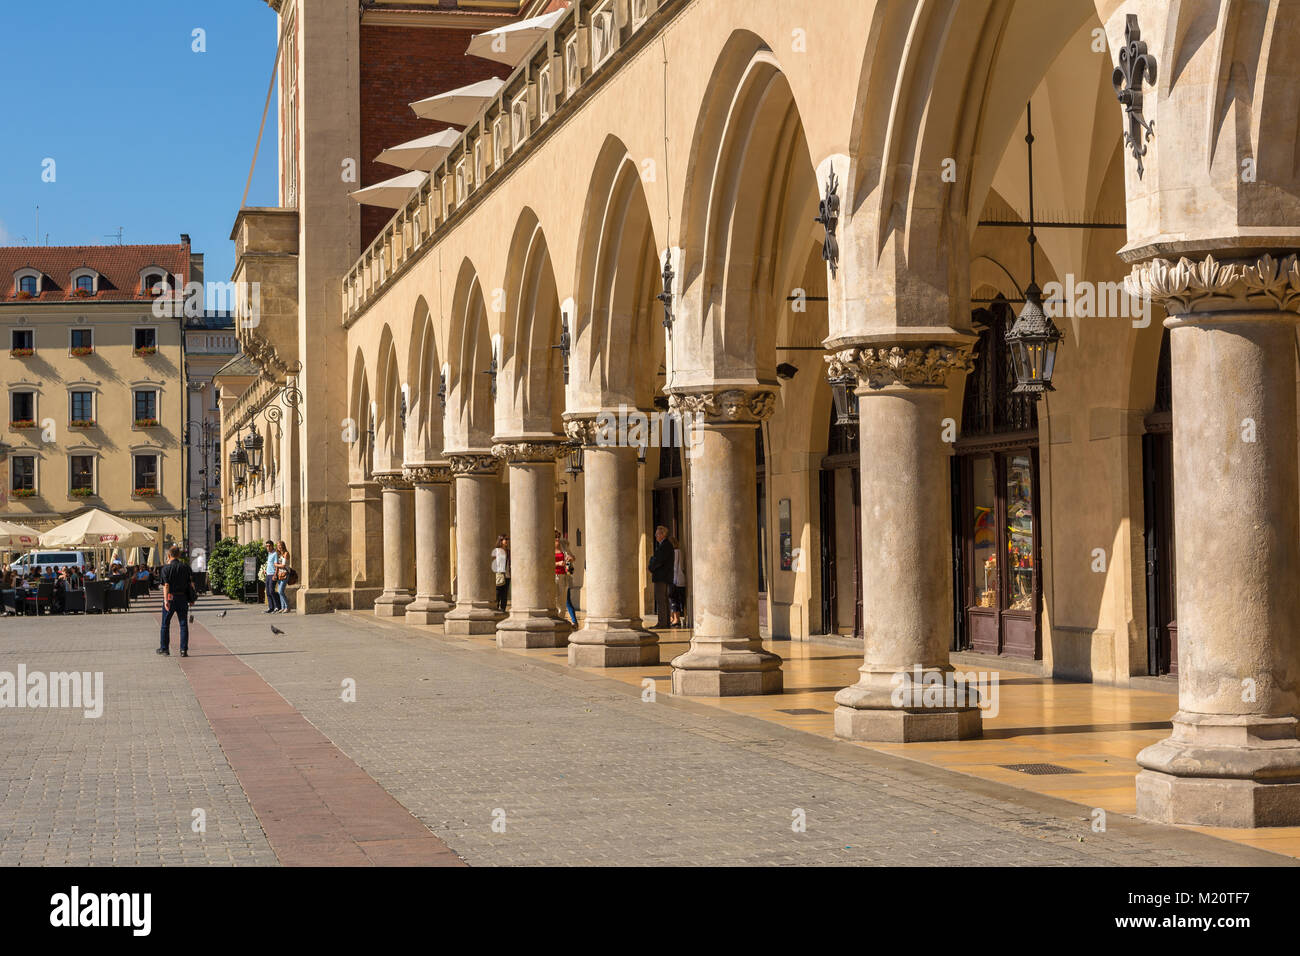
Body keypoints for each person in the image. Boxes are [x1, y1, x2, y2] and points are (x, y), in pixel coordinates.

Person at [158, 546, 193, 658]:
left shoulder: (166, 569)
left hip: (171, 597)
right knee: (183, 624)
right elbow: (191, 584)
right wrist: (192, 599)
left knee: (165, 624)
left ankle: (164, 649)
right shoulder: (185, 567)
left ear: (169, 555)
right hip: (182, 598)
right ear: (179, 555)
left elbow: (166, 585)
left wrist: (166, 600)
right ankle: (183, 650)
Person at [647, 525, 674, 629]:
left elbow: (659, 560)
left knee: (661, 600)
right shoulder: (665, 545)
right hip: (665, 576)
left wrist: (650, 567)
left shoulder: (665, 546)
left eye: (657, 534)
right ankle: (665, 622)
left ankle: (662, 623)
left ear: (663, 534)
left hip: (662, 577)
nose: (655, 536)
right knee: (664, 600)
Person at [554, 531, 577, 627]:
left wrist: (571, 558)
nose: (557, 539)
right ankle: (555, 620)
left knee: (563, 601)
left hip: (564, 576)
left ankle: (561, 621)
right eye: (555, 537)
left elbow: (573, 557)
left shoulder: (564, 547)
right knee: (555, 600)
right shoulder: (548, 548)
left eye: (559, 536)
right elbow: (544, 563)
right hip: (554, 577)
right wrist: (557, 564)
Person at [669, 534, 687, 627]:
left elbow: (675, 567)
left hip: (675, 580)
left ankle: (676, 619)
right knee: (677, 599)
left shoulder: (674, 553)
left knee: (674, 599)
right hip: (681, 579)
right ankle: (673, 618)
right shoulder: (680, 552)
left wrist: (673, 581)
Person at [491, 534, 510, 612]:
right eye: (505, 539)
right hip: (499, 573)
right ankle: (496, 608)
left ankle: (503, 609)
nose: (507, 541)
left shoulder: (508, 551)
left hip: (507, 575)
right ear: (501, 540)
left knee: (505, 594)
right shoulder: (497, 551)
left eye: (507, 539)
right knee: (498, 592)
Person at [263, 540, 282, 613]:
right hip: (268, 574)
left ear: (272, 546)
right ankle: (271, 607)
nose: (267, 547)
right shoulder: (269, 554)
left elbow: (276, 565)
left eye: (268, 546)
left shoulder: (275, 554)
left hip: (272, 574)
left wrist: (275, 575)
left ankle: (278, 606)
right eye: (266, 546)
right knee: (267, 591)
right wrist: (265, 570)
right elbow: (270, 564)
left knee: (271, 591)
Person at [274, 541, 291, 613]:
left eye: (280, 545)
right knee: (279, 591)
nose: (279, 547)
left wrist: (276, 565)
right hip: (280, 574)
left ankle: (287, 607)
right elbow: (277, 564)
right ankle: (283, 607)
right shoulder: (279, 554)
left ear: (283, 546)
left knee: (281, 591)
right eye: (278, 545)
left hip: (285, 574)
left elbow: (283, 565)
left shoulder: (286, 553)